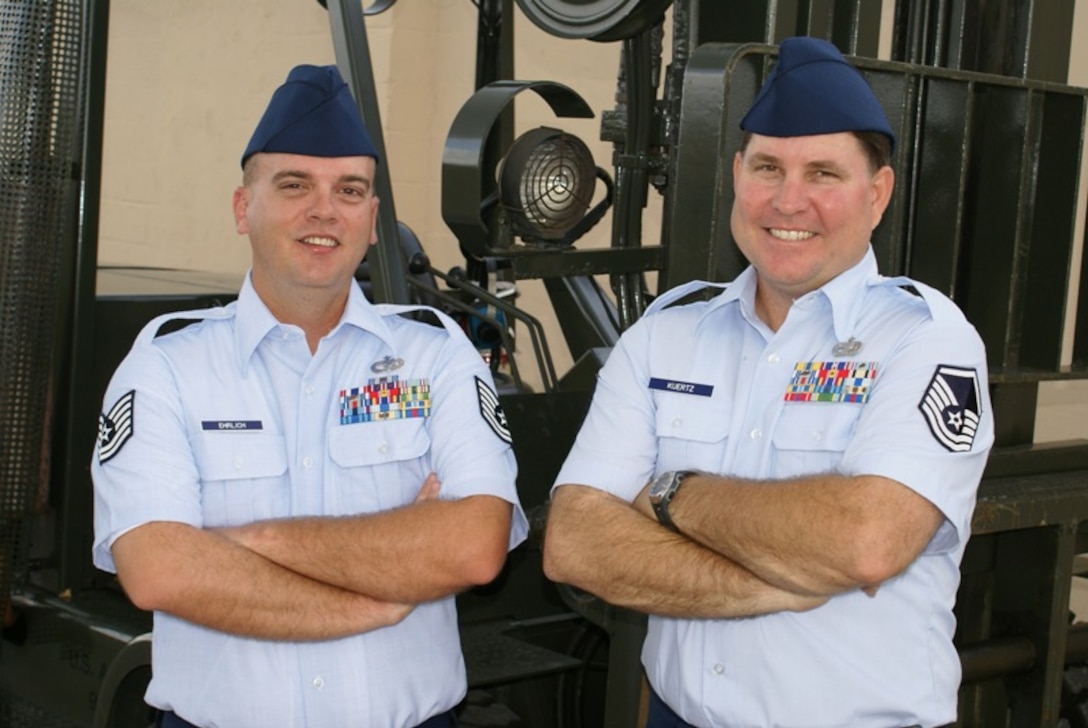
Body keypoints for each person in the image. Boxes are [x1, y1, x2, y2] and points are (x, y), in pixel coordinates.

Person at [543, 36, 994, 728]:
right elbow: (575, 543)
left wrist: (668, 493)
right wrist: (773, 582)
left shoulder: (925, 341)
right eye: (767, 168)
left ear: (878, 194)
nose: (788, 201)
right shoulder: (666, 337)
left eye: (823, 174)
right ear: (736, 174)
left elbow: (865, 542)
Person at [91, 64, 527, 728]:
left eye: (350, 190)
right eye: (294, 185)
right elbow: (157, 571)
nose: (325, 210)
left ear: (373, 220)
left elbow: (473, 546)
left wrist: (242, 542)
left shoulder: (436, 354)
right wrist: (375, 598)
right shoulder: (166, 366)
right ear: (243, 207)